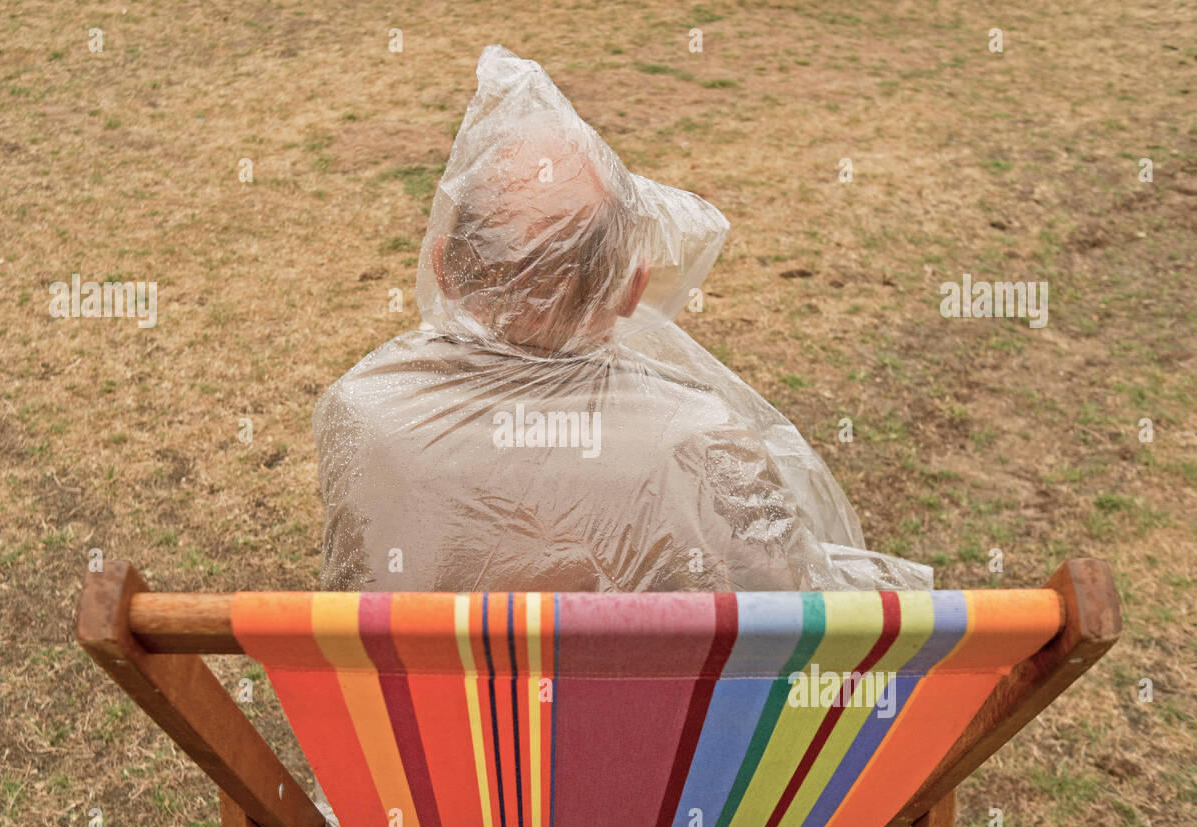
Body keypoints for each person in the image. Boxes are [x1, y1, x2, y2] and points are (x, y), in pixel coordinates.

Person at [312, 46, 931, 594]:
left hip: (439, 724)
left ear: (443, 266)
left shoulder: (364, 415)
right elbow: (790, 617)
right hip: (650, 727)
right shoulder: (701, 442)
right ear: (633, 290)